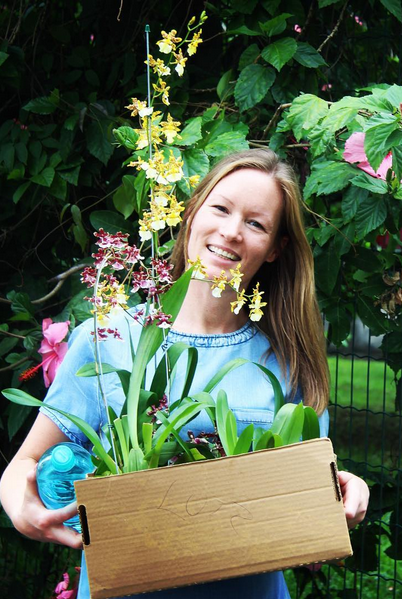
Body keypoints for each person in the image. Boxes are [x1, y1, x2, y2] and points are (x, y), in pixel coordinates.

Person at [0, 148, 369, 598]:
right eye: (221, 208)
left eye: (256, 224)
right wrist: (20, 504)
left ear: (276, 249)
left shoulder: (289, 359)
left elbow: (307, 493)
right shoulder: (110, 336)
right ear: (191, 213)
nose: (231, 231)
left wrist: (347, 490)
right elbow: (24, 465)